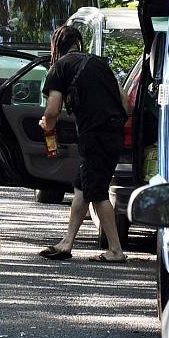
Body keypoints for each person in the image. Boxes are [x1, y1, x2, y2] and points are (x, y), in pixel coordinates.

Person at [38, 25, 127, 263]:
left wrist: (46, 124)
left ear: (57, 46)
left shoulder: (60, 67)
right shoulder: (100, 63)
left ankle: (116, 250)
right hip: (115, 133)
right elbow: (124, 101)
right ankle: (67, 242)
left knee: (96, 191)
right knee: (82, 185)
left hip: (94, 135)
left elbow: (53, 109)